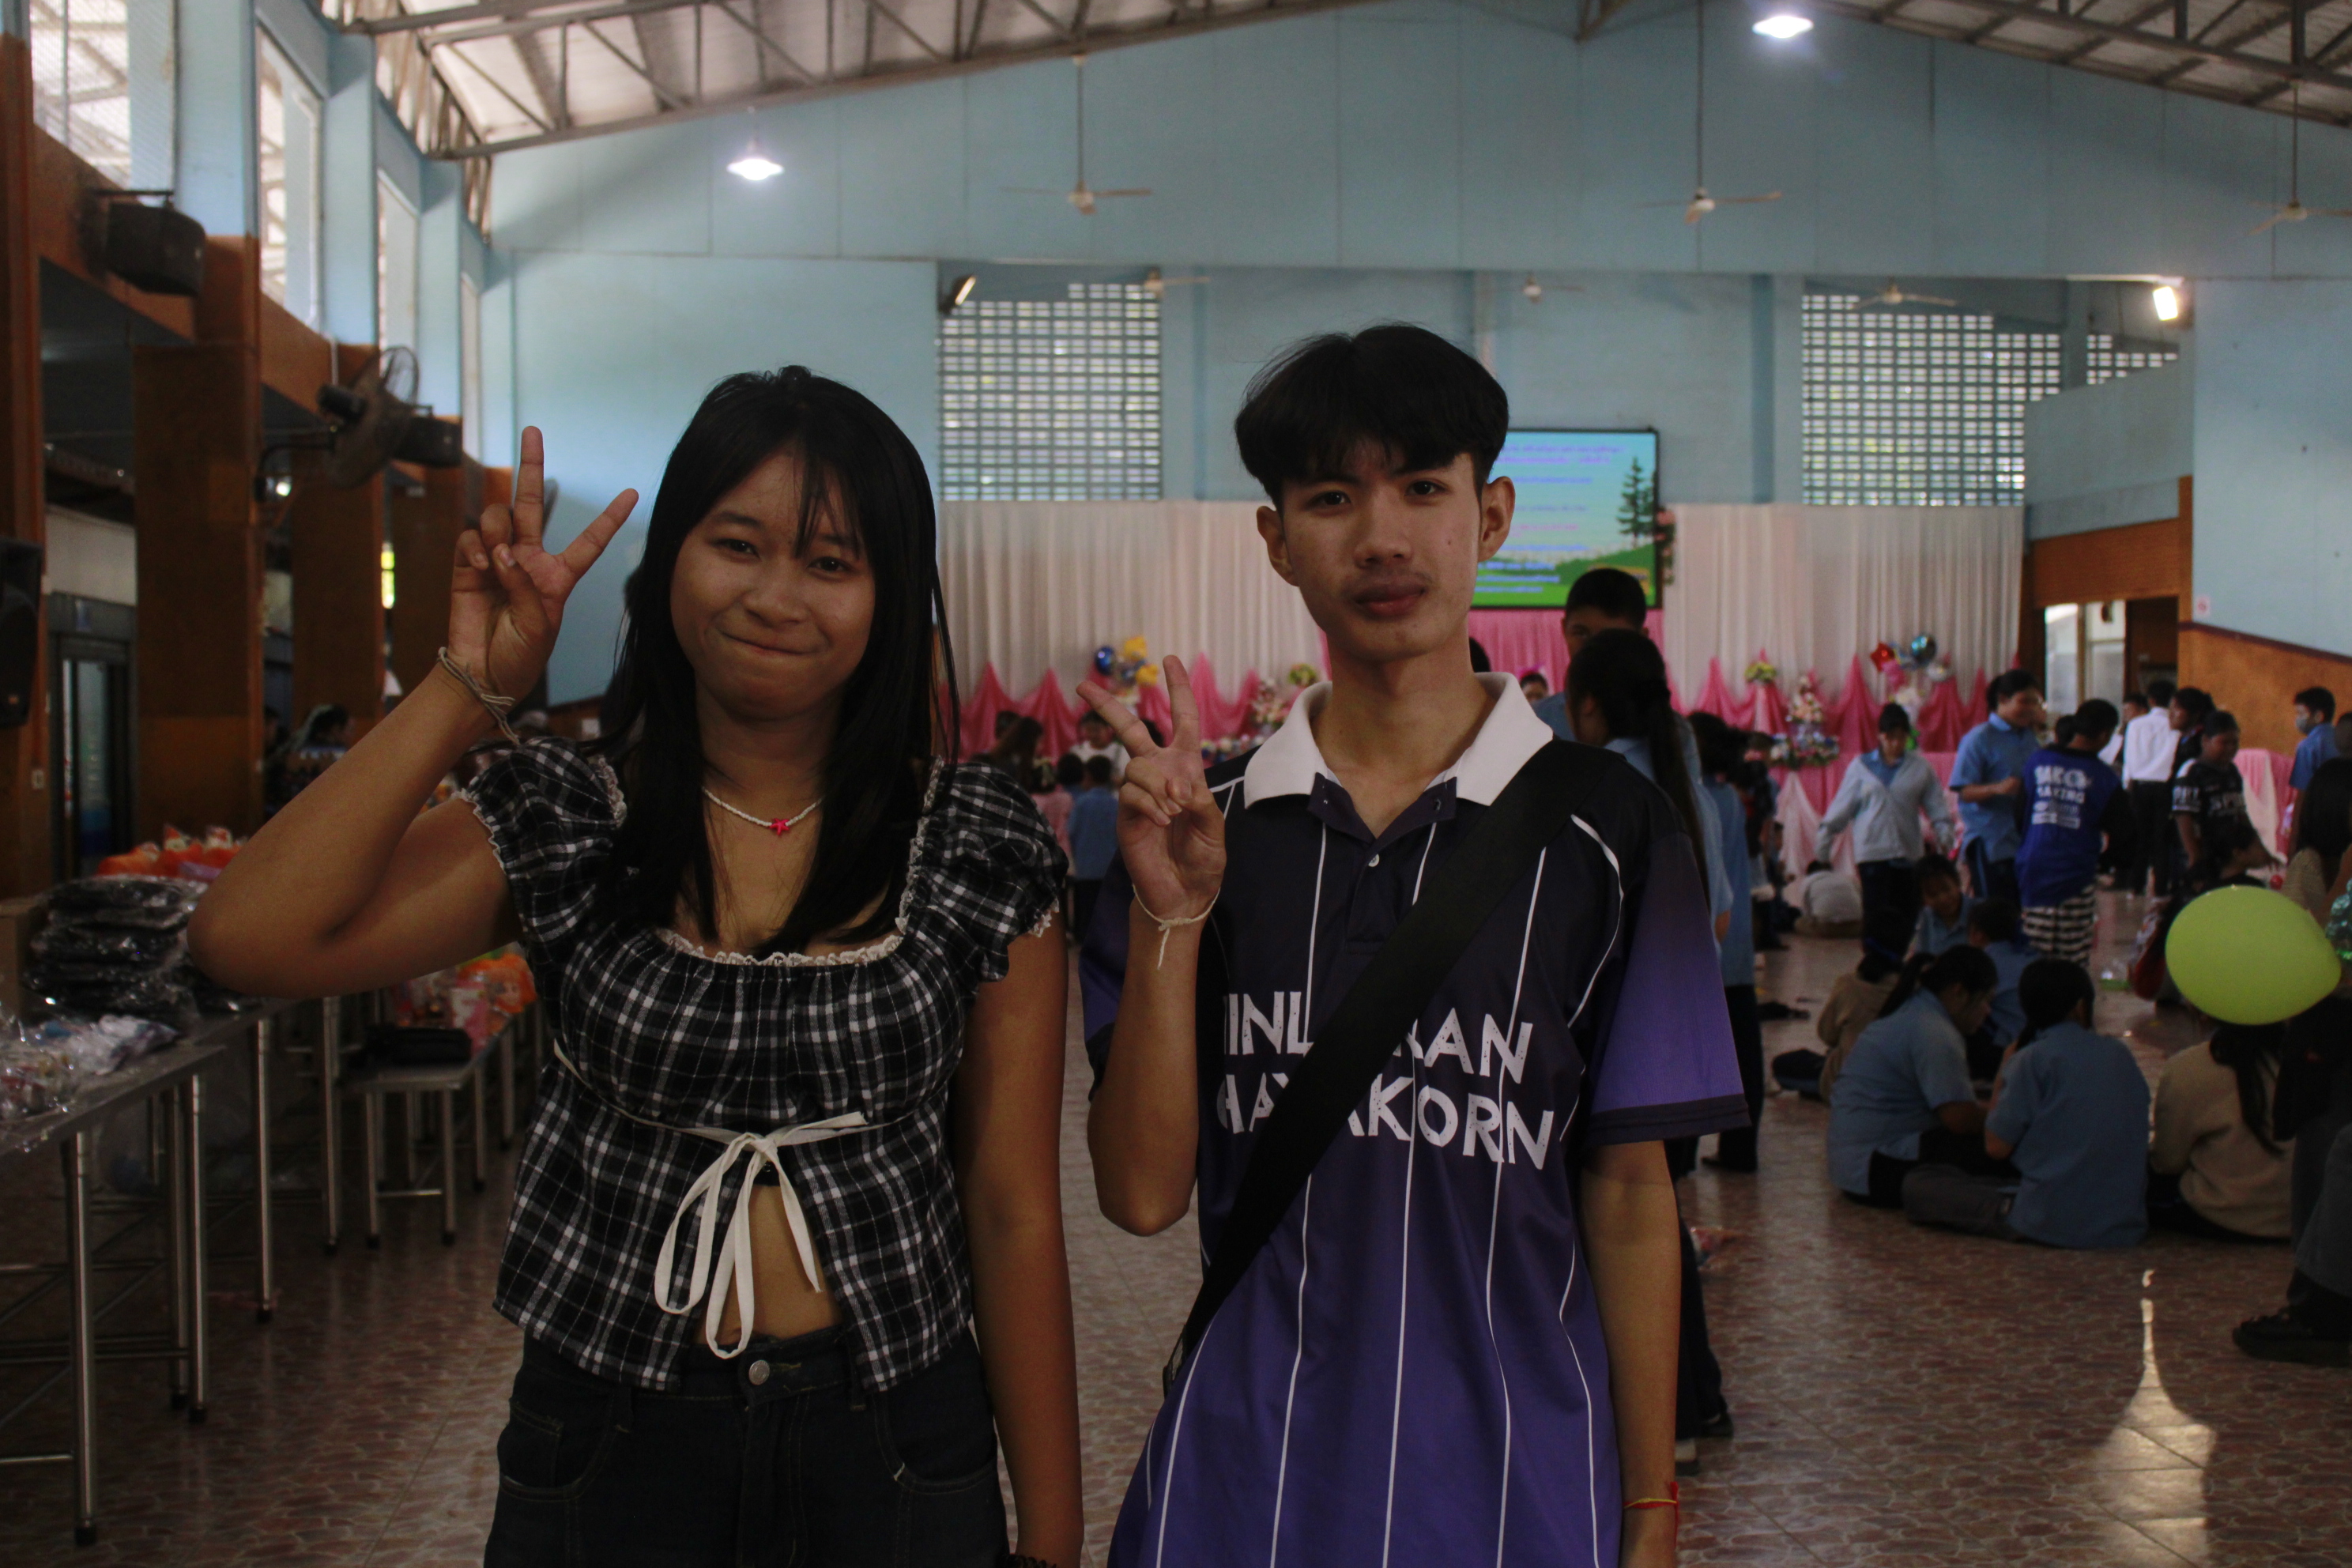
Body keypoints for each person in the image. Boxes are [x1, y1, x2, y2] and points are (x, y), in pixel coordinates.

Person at [188, 382, 1086, 1567]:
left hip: (896, 1439)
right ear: (670, 562)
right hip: (611, 1435)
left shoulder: (976, 840)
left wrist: (1054, 1538)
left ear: (890, 596)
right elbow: (245, 938)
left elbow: (1013, 1208)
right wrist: (468, 686)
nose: (775, 597)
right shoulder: (568, 814)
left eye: (830, 562)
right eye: (737, 544)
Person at [1080, 325, 1740, 1566]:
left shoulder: (1611, 833)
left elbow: (1630, 1196)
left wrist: (1651, 1511)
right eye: (1332, 499)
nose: (1382, 539)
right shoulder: (1206, 833)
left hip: (1518, 1490)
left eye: (1424, 490)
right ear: (1277, 539)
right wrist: (1172, 918)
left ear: (1490, 516)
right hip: (1244, 1482)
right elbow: (1140, 1194)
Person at [1530, 568, 1735, 950]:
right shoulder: (1536, 722)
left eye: (1613, 639)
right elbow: (1719, 918)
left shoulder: (1603, 787)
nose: (1595, 650)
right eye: (1582, 634)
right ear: (1563, 629)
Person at [1902, 959, 2150, 1248]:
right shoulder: (2119, 1055)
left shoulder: (2030, 1059)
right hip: (2122, 1220)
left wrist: (2006, 1068)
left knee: (1920, 1184)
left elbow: (1996, 1147)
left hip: (2049, 1221)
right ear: (2082, 1007)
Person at [1826, 945, 2004, 1207]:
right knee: (2002, 1148)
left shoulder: (1916, 1011)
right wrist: (2012, 1116)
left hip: (1853, 1167)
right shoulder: (1934, 1031)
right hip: (1877, 1167)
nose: (1988, 1011)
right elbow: (1961, 1120)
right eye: (1986, 1000)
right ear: (1959, 993)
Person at [1693, 711, 1766, 1172]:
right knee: (1744, 1053)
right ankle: (1741, 1148)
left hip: (1711, 935)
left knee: (1696, 1051)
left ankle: (1683, 1149)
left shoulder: (1698, 799)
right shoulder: (1730, 798)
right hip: (1737, 936)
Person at [1816, 703, 1957, 940]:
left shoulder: (1920, 767)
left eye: (1901, 737)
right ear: (1880, 736)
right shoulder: (1861, 767)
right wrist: (1825, 839)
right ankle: (1875, 956)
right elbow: (1842, 806)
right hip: (1872, 851)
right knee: (1876, 914)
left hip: (1908, 851)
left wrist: (1944, 834)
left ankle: (1900, 956)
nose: (1895, 743)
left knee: (1906, 913)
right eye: (1890, 737)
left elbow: (1936, 806)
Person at [2017, 699, 2135, 970]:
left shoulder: (2038, 761)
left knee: (2033, 949)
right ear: (2105, 734)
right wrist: (2106, 863)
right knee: (2071, 956)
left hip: (2034, 866)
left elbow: (2020, 812)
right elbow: (2125, 832)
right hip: (2076, 871)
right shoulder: (2103, 777)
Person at [2150, 1021, 2294, 1241]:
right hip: (2300, 1216)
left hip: (2220, 1213)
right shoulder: (2310, 1060)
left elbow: (2167, 1162)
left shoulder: (2190, 1066)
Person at [1772, 907, 1911, 1100]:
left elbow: (1827, 1034)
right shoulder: (1913, 988)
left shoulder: (1849, 984)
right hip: (1899, 1083)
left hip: (1851, 1083)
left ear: (1863, 945)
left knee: (1784, 1064)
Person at [1951, 669, 2046, 905]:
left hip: (2024, 840)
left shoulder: (2030, 738)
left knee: (2020, 910)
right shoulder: (1979, 738)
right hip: (1990, 840)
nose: (2031, 709)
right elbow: (1965, 791)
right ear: (2003, 699)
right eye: (2024, 701)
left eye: (2035, 702)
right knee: (1994, 911)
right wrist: (1998, 788)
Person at [2173, 710, 2272, 891]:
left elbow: (2240, 812)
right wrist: (2194, 855)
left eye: (2235, 743)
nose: (2230, 748)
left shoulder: (2232, 771)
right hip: (2205, 851)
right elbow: (2184, 818)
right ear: (2205, 741)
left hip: (2229, 854)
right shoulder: (2192, 771)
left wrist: (2258, 846)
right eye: (2224, 743)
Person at [2120, 678, 2180, 895]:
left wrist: (2127, 785)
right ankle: (2161, 887)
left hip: (2139, 786)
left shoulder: (2136, 725)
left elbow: (2128, 758)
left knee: (2139, 837)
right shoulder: (2174, 726)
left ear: (2151, 700)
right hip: (2165, 786)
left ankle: (2136, 885)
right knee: (2162, 840)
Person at [1966, 898, 2037, 1073]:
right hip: (2040, 1043)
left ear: (1977, 934)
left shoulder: (1986, 963)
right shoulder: (2031, 954)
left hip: (2010, 1051)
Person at [1065, 754, 1119, 943]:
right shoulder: (1115, 803)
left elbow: (1071, 831)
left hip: (1085, 868)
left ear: (1087, 775)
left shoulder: (1082, 803)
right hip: (1109, 868)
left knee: (1085, 910)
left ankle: (1084, 941)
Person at [1789, 857, 1864, 939]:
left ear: (1809, 872)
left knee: (1798, 923)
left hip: (1827, 929)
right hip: (1856, 928)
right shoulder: (1845, 879)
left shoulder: (1808, 881)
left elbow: (1806, 911)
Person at [1912, 853, 1971, 956]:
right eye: (1933, 895)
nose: (1943, 899)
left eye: (1946, 889)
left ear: (1957, 882)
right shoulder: (1926, 918)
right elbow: (1923, 958)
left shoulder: (1981, 913)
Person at [2291, 686, 2339, 793]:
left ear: (2318, 716)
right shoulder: (2342, 738)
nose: (2297, 719)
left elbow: (2303, 790)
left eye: (2301, 714)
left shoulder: (2308, 746)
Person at [1070, 709, 1129, 782]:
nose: (1093, 735)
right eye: (1089, 730)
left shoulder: (1121, 752)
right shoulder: (1077, 752)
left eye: (1096, 730)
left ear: (1108, 729)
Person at [2101, 691, 2144, 772]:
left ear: (2142, 711)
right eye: (2124, 711)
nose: (2125, 714)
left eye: (2129, 710)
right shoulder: (2120, 731)